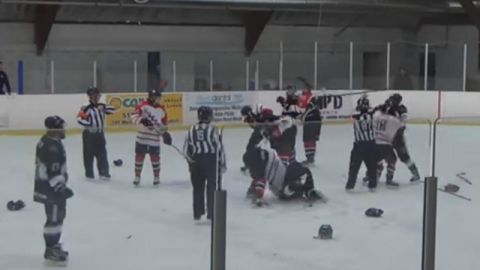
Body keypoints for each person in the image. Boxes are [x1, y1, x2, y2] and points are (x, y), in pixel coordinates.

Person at [34, 116, 74, 263]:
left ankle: (53, 246)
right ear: (56, 129)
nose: (64, 129)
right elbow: (53, 171)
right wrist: (60, 187)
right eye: (62, 127)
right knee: (55, 219)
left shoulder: (47, 140)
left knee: (56, 218)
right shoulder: (52, 147)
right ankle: (51, 249)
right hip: (51, 189)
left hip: (47, 187)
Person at [244, 146, 325, 207]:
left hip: (287, 182)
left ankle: (307, 191)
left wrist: (256, 195)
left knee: (293, 182)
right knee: (291, 185)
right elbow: (258, 183)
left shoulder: (261, 170)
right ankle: (307, 191)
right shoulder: (266, 159)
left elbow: (259, 183)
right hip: (285, 185)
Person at [183, 106, 226, 220]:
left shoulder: (190, 130)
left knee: (197, 187)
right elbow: (219, 148)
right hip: (210, 160)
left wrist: (190, 161)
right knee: (212, 186)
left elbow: (185, 150)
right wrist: (222, 164)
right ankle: (211, 213)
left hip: (196, 161)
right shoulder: (213, 130)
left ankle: (197, 213)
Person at [131, 89, 172, 186]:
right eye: (157, 97)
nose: (159, 99)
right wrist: (142, 120)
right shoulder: (143, 105)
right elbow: (133, 116)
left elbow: (163, 124)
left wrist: (165, 134)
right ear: (152, 97)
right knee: (139, 157)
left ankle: (156, 176)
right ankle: (137, 176)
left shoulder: (161, 109)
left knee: (155, 158)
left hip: (154, 139)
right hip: (142, 137)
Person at [77, 87, 115, 180]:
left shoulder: (101, 105)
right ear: (91, 96)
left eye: (99, 95)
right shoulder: (86, 106)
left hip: (100, 134)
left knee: (102, 153)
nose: (98, 97)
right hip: (89, 134)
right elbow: (79, 119)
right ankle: (89, 174)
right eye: (96, 95)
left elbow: (112, 110)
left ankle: (104, 173)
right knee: (88, 155)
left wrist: (104, 107)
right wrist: (90, 124)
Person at [345, 95, 377, 191]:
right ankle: (372, 185)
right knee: (372, 167)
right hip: (371, 144)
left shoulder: (356, 116)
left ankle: (350, 186)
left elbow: (355, 114)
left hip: (360, 146)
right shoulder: (372, 115)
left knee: (354, 167)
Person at [386, 94, 421, 182]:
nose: (390, 101)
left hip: (397, 137)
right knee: (388, 156)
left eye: (392, 100)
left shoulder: (400, 109)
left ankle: (415, 173)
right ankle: (386, 177)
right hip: (390, 136)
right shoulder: (390, 109)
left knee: (403, 157)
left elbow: (401, 122)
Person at [372, 103, 403, 187]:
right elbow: (401, 127)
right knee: (392, 159)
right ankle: (389, 179)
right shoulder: (395, 121)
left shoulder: (379, 117)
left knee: (377, 159)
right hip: (386, 144)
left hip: (375, 143)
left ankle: (373, 176)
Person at [298, 88, 322, 165]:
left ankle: (310, 158)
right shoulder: (310, 101)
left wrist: (302, 118)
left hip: (312, 122)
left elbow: (308, 110)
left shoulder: (312, 100)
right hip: (311, 122)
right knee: (309, 140)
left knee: (309, 140)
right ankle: (310, 157)